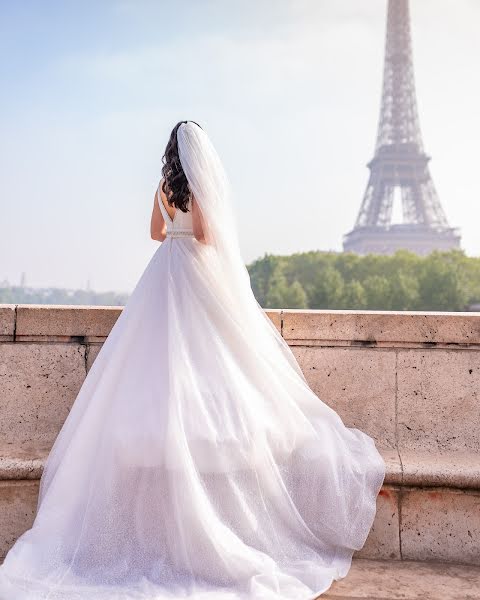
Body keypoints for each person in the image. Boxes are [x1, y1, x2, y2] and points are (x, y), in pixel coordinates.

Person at [0, 120, 386, 599]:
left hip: (164, 274)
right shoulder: (202, 187)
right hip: (198, 274)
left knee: (157, 366)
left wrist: (174, 226)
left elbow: (155, 232)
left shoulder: (164, 186)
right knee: (214, 361)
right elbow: (206, 232)